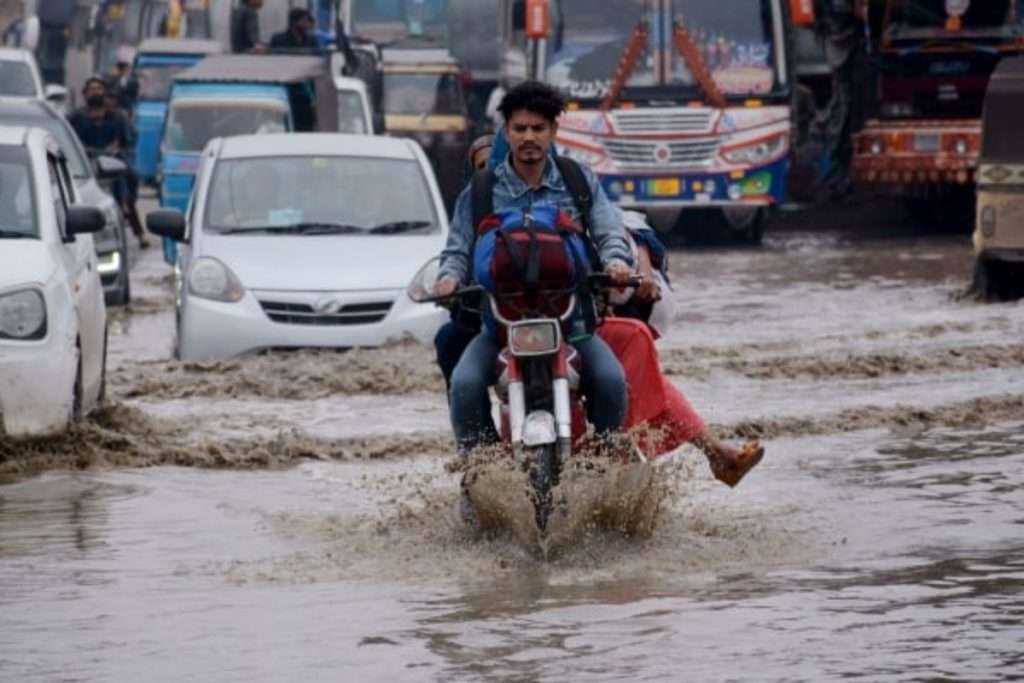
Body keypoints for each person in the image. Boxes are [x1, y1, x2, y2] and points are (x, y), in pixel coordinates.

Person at [434, 81, 635, 454]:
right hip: (499, 327)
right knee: (464, 384)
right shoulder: (480, 190)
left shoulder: (578, 180)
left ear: (553, 132)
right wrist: (447, 279)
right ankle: (479, 467)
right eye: (520, 128)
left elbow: (609, 232)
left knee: (611, 380)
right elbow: (458, 250)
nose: (529, 137)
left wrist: (617, 263)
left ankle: (610, 462)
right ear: (506, 132)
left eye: (538, 128)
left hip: (571, 325)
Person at [597, 211, 764, 487]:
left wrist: (642, 274)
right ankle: (716, 452)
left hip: (612, 311)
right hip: (535, 315)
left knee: (637, 378)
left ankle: (712, 452)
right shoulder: (514, 192)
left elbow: (628, 232)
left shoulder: (581, 192)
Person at [68, 77, 150, 248]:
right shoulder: (76, 117)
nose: (96, 92)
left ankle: (136, 229)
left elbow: (129, 139)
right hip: (86, 163)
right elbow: (68, 140)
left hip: (113, 162)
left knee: (129, 180)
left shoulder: (118, 117)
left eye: (99, 89)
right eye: (92, 89)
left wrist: (120, 149)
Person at [813, 0, 867, 199]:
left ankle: (834, 178)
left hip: (844, 39)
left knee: (844, 111)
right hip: (841, 38)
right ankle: (830, 178)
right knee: (840, 113)